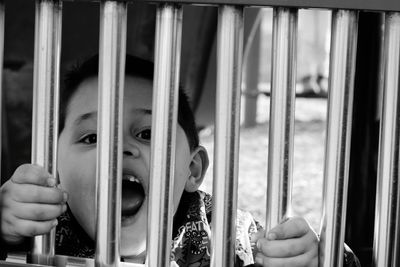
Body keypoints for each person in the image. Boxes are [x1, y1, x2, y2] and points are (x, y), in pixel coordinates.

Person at [0, 54, 360, 267]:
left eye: (146, 134)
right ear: (55, 167)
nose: (117, 150)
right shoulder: (42, 227)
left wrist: (314, 257)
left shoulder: (222, 230)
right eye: (91, 137)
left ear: (192, 169)